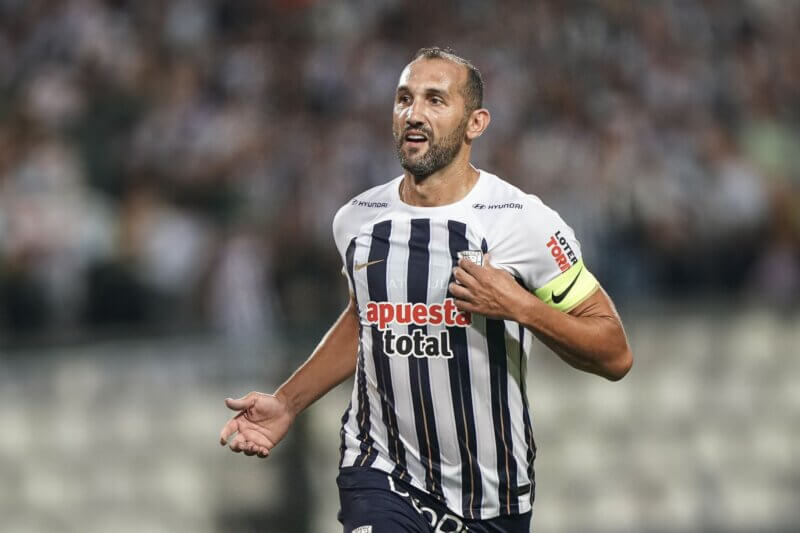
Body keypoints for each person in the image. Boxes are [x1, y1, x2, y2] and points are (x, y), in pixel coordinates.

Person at [219, 47, 633, 533]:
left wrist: (520, 306)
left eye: (435, 100)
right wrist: (287, 402)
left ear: (475, 123)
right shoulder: (356, 220)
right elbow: (365, 319)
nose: (413, 114)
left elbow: (614, 352)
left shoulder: (524, 224)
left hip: (492, 495)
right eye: (403, 99)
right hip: (380, 472)